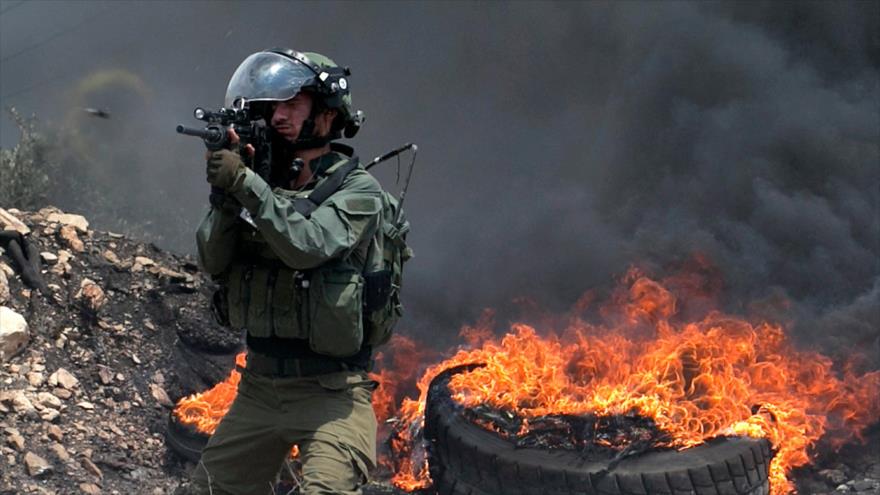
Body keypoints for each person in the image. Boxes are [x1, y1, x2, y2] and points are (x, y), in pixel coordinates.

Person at [178, 48, 382, 495]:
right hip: (259, 389)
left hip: (332, 396)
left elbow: (310, 245)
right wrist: (225, 197)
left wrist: (244, 185)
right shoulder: (259, 187)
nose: (279, 117)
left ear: (327, 116)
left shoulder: (359, 190)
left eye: (292, 105)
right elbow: (212, 260)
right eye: (273, 107)